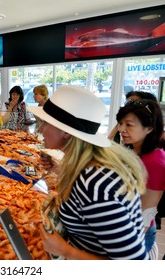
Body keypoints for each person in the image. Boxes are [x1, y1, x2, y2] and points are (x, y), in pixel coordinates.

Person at [29, 85, 148, 260]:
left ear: (65, 132)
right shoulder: (90, 166)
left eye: (45, 123)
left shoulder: (95, 184)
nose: (40, 129)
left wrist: (64, 250)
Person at [116, 99, 165, 259]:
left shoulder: (155, 161)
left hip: (136, 232)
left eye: (129, 125)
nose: (121, 129)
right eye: (120, 123)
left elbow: (148, 211)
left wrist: (127, 242)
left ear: (149, 128)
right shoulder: (133, 150)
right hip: (124, 222)